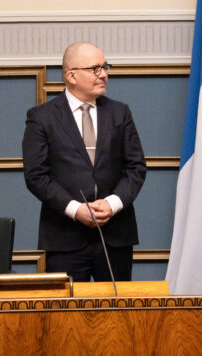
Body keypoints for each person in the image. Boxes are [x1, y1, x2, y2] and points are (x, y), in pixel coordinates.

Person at [22, 42, 146, 281]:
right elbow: (36, 176)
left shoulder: (120, 113)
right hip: (64, 237)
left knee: (115, 315)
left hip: (115, 237)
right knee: (67, 317)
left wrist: (112, 203)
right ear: (71, 75)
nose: (104, 74)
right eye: (95, 69)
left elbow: (136, 168)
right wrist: (75, 210)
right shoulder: (41, 117)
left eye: (105, 67)